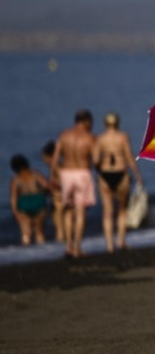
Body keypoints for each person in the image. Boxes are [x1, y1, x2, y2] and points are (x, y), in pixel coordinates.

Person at [93, 112, 144, 252]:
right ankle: (121, 241)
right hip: (121, 173)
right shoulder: (122, 137)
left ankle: (110, 245)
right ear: (117, 123)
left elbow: (96, 160)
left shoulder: (100, 138)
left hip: (105, 174)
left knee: (107, 211)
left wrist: (100, 168)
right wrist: (138, 175)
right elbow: (128, 156)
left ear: (105, 124)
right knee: (122, 210)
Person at [51, 109, 97, 258]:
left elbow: (55, 158)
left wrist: (53, 175)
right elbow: (96, 160)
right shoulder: (89, 138)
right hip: (82, 173)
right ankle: (77, 248)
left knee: (68, 210)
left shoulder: (64, 135)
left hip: (66, 173)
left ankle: (68, 246)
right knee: (80, 212)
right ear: (87, 122)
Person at [9, 155, 52, 245]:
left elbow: (13, 197)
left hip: (24, 205)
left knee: (26, 233)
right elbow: (46, 186)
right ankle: (42, 252)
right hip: (38, 202)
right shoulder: (36, 174)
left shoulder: (15, 179)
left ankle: (26, 252)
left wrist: (14, 211)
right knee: (39, 232)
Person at [40, 141, 63, 242]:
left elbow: (62, 182)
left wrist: (50, 186)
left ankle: (61, 245)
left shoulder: (57, 167)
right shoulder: (58, 166)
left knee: (59, 225)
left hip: (59, 198)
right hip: (59, 197)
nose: (43, 160)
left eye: (44, 157)